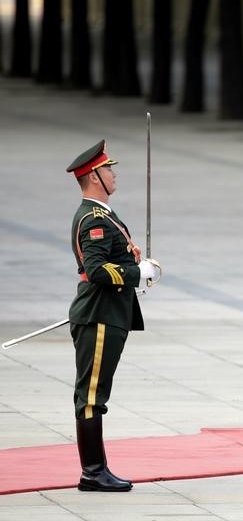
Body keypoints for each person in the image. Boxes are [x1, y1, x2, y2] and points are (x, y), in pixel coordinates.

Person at [66, 140, 161, 491]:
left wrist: (137, 267)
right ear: (93, 177)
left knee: (95, 393)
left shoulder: (103, 215)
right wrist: (138, 273)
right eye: (108, 169)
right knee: (92, 396)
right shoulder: (94, 219)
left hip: (108, 313)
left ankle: (97, 468)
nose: (114, 173)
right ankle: (92, 471)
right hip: (100, 315)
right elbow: (96, 270)